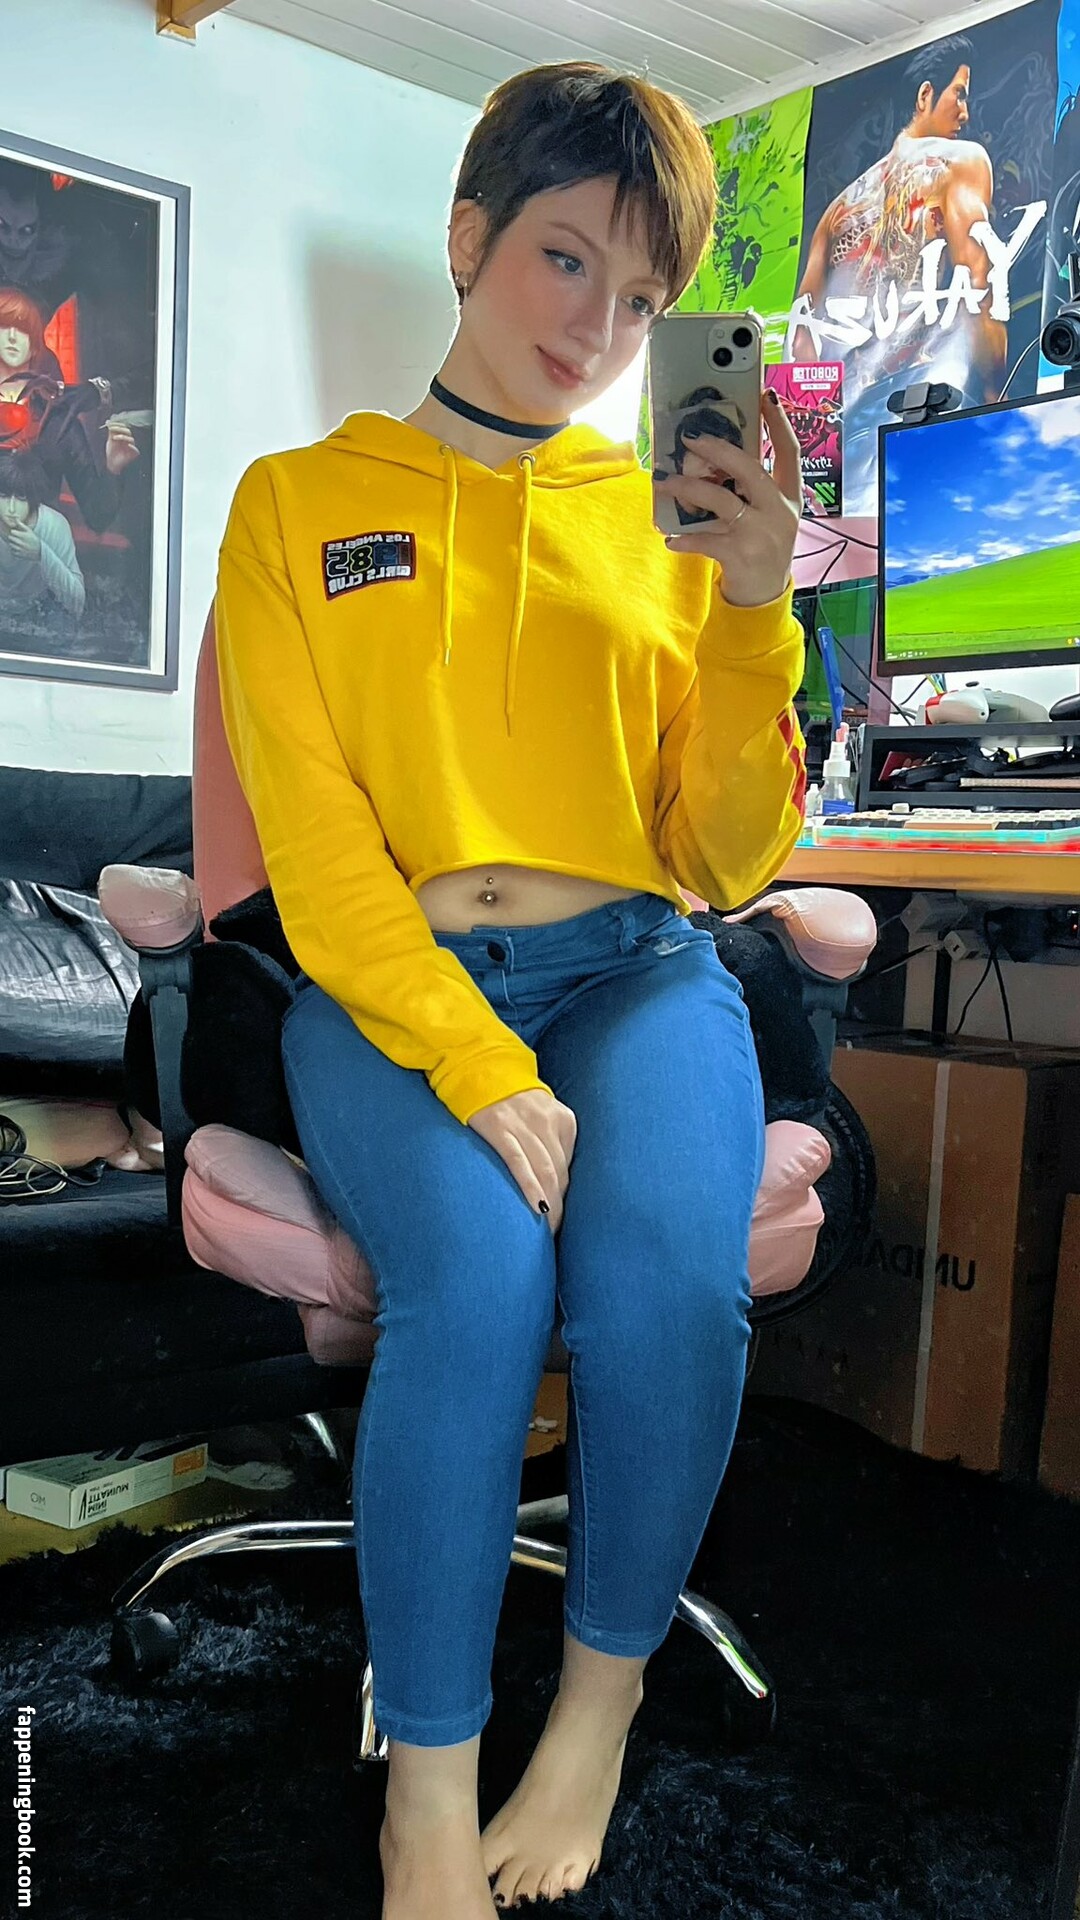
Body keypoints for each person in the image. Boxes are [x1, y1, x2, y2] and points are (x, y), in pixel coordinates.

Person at [214, 60, 805, 1920]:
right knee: (475, 1286)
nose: (599, 330)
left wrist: (756, 609)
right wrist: (474, 1058)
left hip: (635, 969)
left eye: (640, 298)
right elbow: (319, 859)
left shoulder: (663, 521)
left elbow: (724, 859)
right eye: (565, 259)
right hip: (394, 987)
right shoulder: (297, 504)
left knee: (670, 1288)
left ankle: (596, 1718)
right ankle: (428, 1788)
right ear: (468, 237)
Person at [788, 34, 1003, 514]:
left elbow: (801, 341)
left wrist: (812, 486)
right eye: (959, 94)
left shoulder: (838, 209)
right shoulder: (961, 162)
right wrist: (996, 410)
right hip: (926, 431)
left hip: (848, 464)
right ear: (926, 95)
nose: (965, 113)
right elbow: (979, 283)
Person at [0, 286, 139, 533]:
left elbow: (97, 515)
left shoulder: (58, 420)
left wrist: (113, 467)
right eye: (4, 325)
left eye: (22, 328)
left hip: (36, 547)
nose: (12, 336)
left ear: (35, 343)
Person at [0, 449, 85, 618]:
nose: (11, 509)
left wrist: (41, 552)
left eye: (21, 498)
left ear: (33, 498)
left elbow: (77, 603)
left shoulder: (53, 525)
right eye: (3, 496)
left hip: (38, 608)